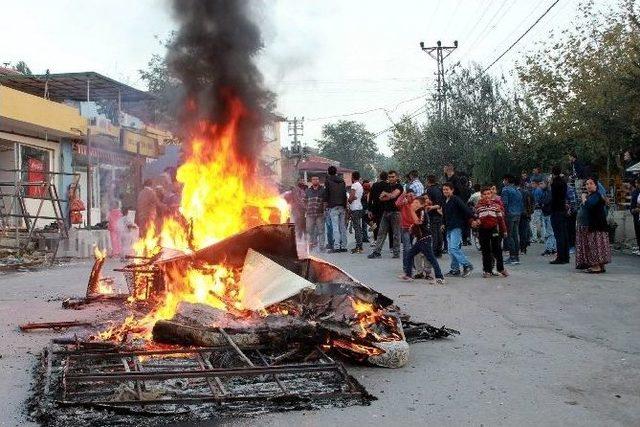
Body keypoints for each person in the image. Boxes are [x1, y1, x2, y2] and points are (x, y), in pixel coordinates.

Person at [398, 196, 445, 284]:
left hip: (425, 239)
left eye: (416, 203)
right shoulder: (418, 211)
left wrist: (411, 211)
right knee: (410, 255)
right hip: (420, 239)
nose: (413, 204)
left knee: (431, 258)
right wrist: (412, 227)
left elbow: (418, 222)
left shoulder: (422, 211)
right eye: (413, 203)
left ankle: (440, 277)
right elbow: (417, 224)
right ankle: (408, 275)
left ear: (422, 205)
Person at [575, 178, 611, 273]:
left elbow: (590, 206)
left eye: (591, 183)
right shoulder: (592, 195)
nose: (588, 185)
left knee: (595, 246)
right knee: (596, 246)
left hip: (595, 226)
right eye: (587, 184)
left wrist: (583, 198)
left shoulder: (596, 195)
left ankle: (596, 266)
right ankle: (600, 265)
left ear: (596, 185)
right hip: (592, 226)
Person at [473, 186, 508, 278]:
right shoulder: (478, 207)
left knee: (497, 250)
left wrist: (504, 230)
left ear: (491, 194)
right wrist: (475, 226)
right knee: (485, 251)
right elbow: (474, 219)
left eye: (488, 194)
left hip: (494, 230)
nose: (487, 196)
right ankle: (487, 270)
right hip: (482, 230)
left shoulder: (496, 206)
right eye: (484, 194)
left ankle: (501, 269)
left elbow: (501, 219)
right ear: (481, 195)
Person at [368, 170, 403, 259]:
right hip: (386, 211)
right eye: (389, 177)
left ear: (397, 177)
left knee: (396, 233)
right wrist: (388, 196)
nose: (391, 178)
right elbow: (381, 198)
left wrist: (387, 195)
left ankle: (396, 253)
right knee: (381, 232)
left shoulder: (399, 186)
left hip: (396, 212)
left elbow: (394, 196)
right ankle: (376, 252)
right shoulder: (386, 186)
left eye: (393, 177)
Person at [442, 182, 474, 277]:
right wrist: (443, 224)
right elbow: (445, 214)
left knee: (454, 248)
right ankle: (455, 269)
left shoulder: (455, 199)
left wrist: (474, 218)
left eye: (447, 189)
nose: (445, 191)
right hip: (448, 227)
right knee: (450, 250)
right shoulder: (445, 201)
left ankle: (467, 265)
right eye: (443, 189)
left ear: (452, 190)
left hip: (456, 227)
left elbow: (466, 209)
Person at [324, 166, 348, 253]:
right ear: (336, 172)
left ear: (328, 172)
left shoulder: (328, 181)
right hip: (342, 206)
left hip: (333, 206)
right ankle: (344, 246)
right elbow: (344, 194)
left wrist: (325, 205)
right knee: (342, 227)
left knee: (335, 227)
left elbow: (327, 194)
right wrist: (345, 206)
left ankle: (337, 246)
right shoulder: (342, 181)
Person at [501, 174, 524, 265]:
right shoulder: (517, 191)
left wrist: (504, 214)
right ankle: (516, 257)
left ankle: (512, 257)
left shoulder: (505, 190)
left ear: (506, 180)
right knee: (515, 235)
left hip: (509, 215)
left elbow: (505, 204)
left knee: (509, 236)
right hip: (517, 214)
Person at [549, 166, 570, 264]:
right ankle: (566, 256)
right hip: (562, 209)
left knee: (558, 235)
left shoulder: (554, 184)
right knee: (564, 234)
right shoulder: (564, 182)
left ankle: (560, 257)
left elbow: (553, 197)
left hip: (556, 210)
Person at [304, 175, 326, 252]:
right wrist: (306, 208)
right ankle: (310, 244)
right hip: (310, 214)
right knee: (309, 230)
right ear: (311, 181)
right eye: (313, 179)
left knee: (321, 231)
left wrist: (324, 210)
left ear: (318, 180)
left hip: (320, 214)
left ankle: (322, 246)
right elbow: (304, 201)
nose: (315, 180)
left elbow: (325, 201)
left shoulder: (323, 190)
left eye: (316, 179)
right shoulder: (308, 190)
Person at [425, 175, 445, 257]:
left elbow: (429, 202)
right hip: (440, 213)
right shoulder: (439, 189)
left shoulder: (429, 190)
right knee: (439, 233)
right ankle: (439, 251)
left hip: (433, 213)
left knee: (434, 234)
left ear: (428, 181)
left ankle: (434, 251)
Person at [539, 179, 557, 256]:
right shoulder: (545, 192)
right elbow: (541, 202)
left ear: (547, 184)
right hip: (546, 213)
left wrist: (542, 203)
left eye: (542, 183)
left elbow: (545, 201)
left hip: (549, 214)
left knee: (549, 232)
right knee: (550, 232)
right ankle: (552, 248)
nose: (540, 185)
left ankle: (549, 249)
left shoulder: (549, 192)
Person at [348, 171, 365, 253]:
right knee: (358, 227)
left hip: (355, 208)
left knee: (357, 228)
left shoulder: (354, 185)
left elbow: (351, 197)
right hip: (359, 207)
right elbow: (355, 196)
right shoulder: (360, 185)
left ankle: (359, 246)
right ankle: (359, 245)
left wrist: (349, 200)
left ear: (352, 177)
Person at [519, 179, 534, 255]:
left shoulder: (517, 192)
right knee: (524, 231)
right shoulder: (528, 193)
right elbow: (532, 203)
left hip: (519, 214)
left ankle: (521, 247)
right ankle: (524, 248)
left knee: (518, 232)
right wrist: (530, 213)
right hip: (526, 214)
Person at [629, 178, 640, 254]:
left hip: (637, 214)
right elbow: (633, 205)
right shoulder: (635, 192)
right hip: (636, 216)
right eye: (636, 183)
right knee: (638, 232)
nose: (636, 184)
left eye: (637, 183)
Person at [361, 179, 371, 244]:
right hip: (368, 208)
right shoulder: (370, 191)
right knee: (367, 222)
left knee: (364, 223)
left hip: (362, 208)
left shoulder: (362, 191)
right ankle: (365, 237)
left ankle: (365, 237)